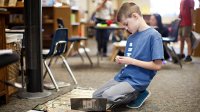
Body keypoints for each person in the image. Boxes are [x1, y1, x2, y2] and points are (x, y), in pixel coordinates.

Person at [93, 2, 164, 109]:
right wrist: (122, 60)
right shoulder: (131, 37)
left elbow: (157, 66)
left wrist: (131, 61)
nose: (125, 28)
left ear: (135, 16)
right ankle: (126, 92)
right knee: (96, 96)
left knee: (108, 96)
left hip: (137, 81)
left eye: (126, 24)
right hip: (123, 77)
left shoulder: (154, 36)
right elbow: (129, 61)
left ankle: (138, 94)